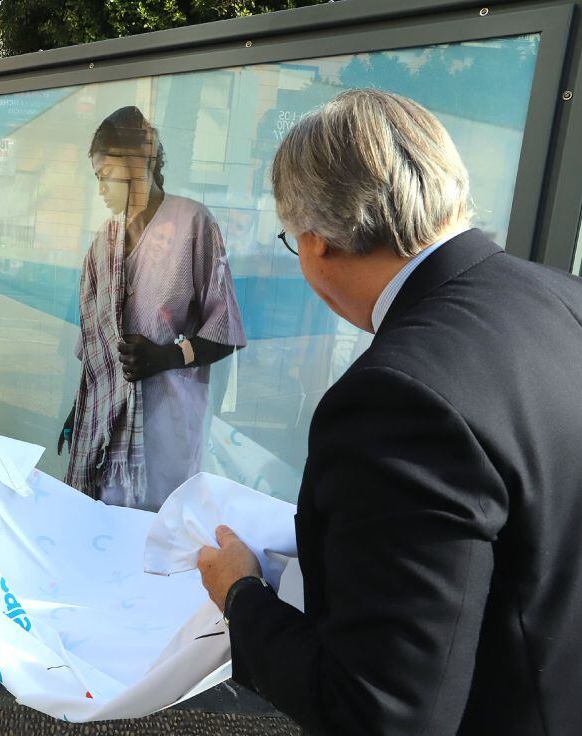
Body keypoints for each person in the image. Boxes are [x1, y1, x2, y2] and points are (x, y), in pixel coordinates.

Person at [197, 89, 582, 735]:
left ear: (316, 241)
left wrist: (241, 597)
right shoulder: (562, 296)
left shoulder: (396, 398)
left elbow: (382, 713)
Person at [59, 106, 246, 511]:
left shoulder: (193, 224)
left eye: (106, 175)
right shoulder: (104, 240)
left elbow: (226, 329)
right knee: (100, 538)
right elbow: (97, 348)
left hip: (164, 431)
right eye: (97, 178)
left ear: (137, 164)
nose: (101, 189)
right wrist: (80, 409)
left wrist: (165, 356)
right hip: (104, 432)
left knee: (154, 542)